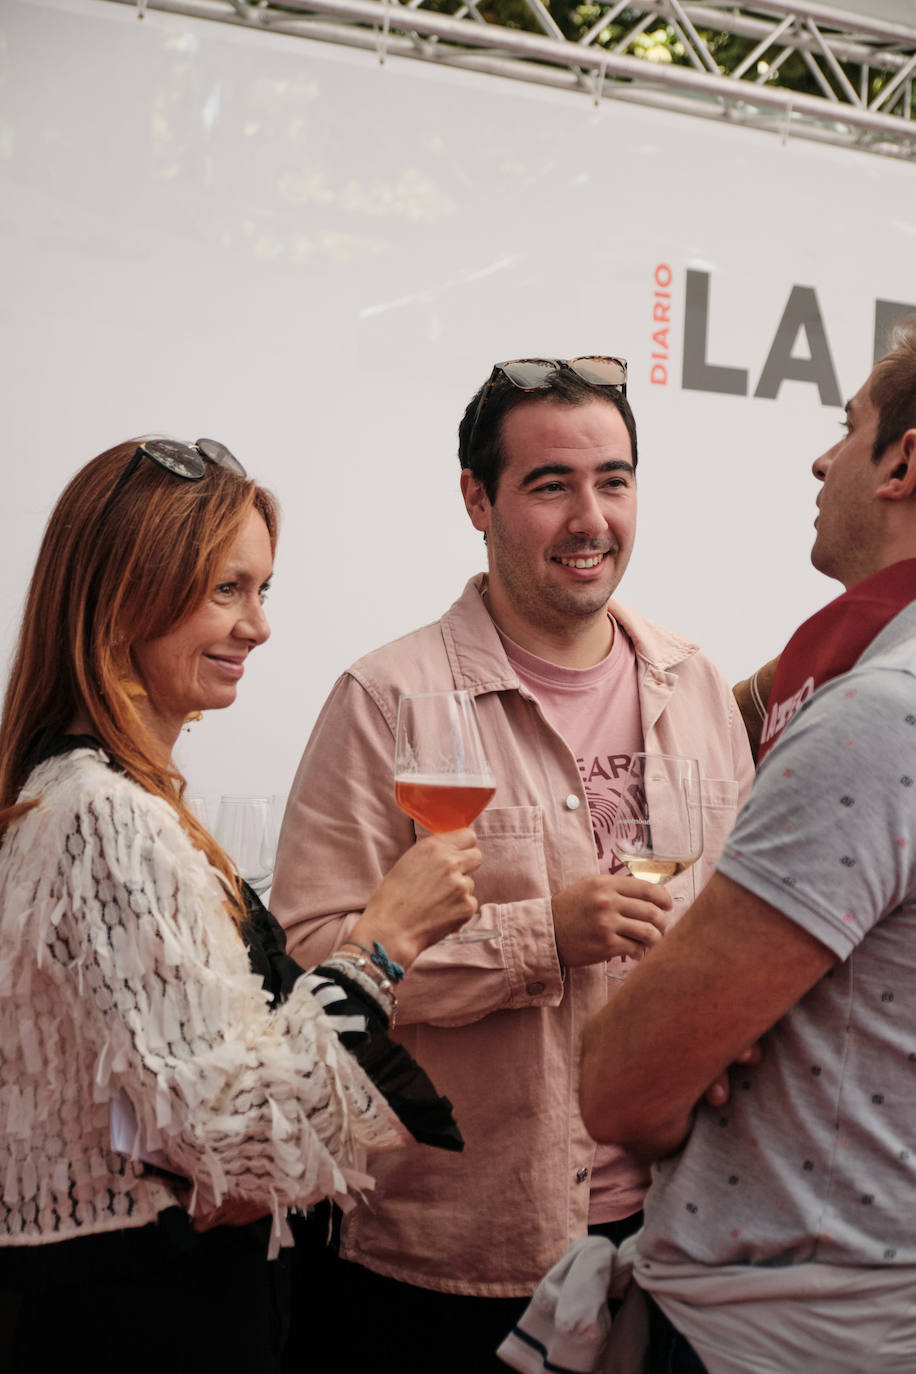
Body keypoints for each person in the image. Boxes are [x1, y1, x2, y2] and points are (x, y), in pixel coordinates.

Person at [271, 358, 753, 1370]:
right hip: (452, 1259)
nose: (591, 518)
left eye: (613, 481)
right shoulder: (385, 698)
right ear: (475, 499)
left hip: (674, 1235)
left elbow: (736, 938)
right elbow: (311, 970)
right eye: (551, 485)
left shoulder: (698, 683)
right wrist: (541, 938)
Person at [0, 436, 482, 1373]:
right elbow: (226, 1141)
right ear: (121, 597)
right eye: (227, 589)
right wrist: (381, 944)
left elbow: (162, 1110)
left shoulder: (85, 795)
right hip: (150, 1322)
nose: (258, 627)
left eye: (263, 591)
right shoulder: (104, 815)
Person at [579, 323, 916, 1373]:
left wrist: (687, 1037)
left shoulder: (875, 717)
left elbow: (624, 1087)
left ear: (904, 462)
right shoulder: (835, 682)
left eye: (847, 428)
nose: (822, 460)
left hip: (783, 1320)